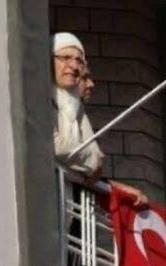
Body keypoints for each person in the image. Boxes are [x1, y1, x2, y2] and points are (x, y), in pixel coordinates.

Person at [51, 32, 147, 206]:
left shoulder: (76, 107)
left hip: (70, 205)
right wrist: (91, 161)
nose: (73, 66)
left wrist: (92, 163)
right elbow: (53, 146)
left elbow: (96, 158)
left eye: (79, 61)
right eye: (65, 58)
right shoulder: (41, 97)